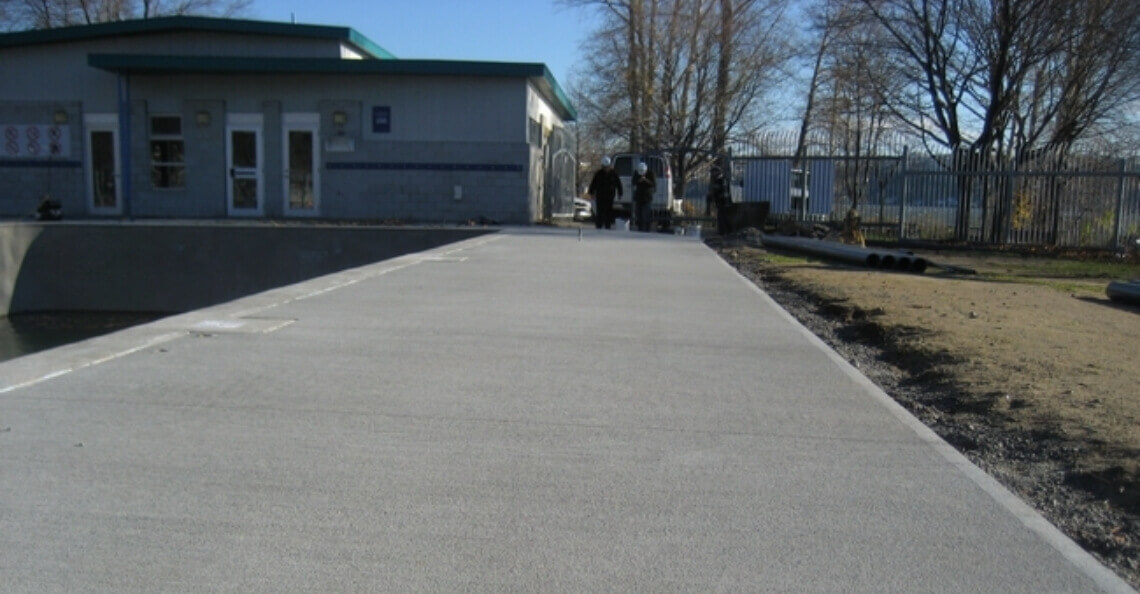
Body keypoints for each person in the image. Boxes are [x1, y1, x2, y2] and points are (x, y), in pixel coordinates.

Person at [587, 156, 622, 229]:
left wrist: (620, 193)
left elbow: (618, 184)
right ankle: (599, 225)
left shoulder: (613, 174)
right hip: (600, 195)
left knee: (608, 211)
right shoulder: (599, 174)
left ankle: (607, 225)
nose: (606, 168)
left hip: (610, 195)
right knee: (600, 211)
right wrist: (591, 192)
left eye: (607, 166)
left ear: (609, 165)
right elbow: (594, 183)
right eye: (604, 166)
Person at [631, 161, 656, 232]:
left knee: (645, 214)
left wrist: (646, 180)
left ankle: (646, 229)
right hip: (639, 196)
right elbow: (633, 182)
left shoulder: (650, 173)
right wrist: (639, 180)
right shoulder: (636, 173)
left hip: (647, 197)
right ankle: (640, 228)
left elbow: (653, 184)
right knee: (638, 214)